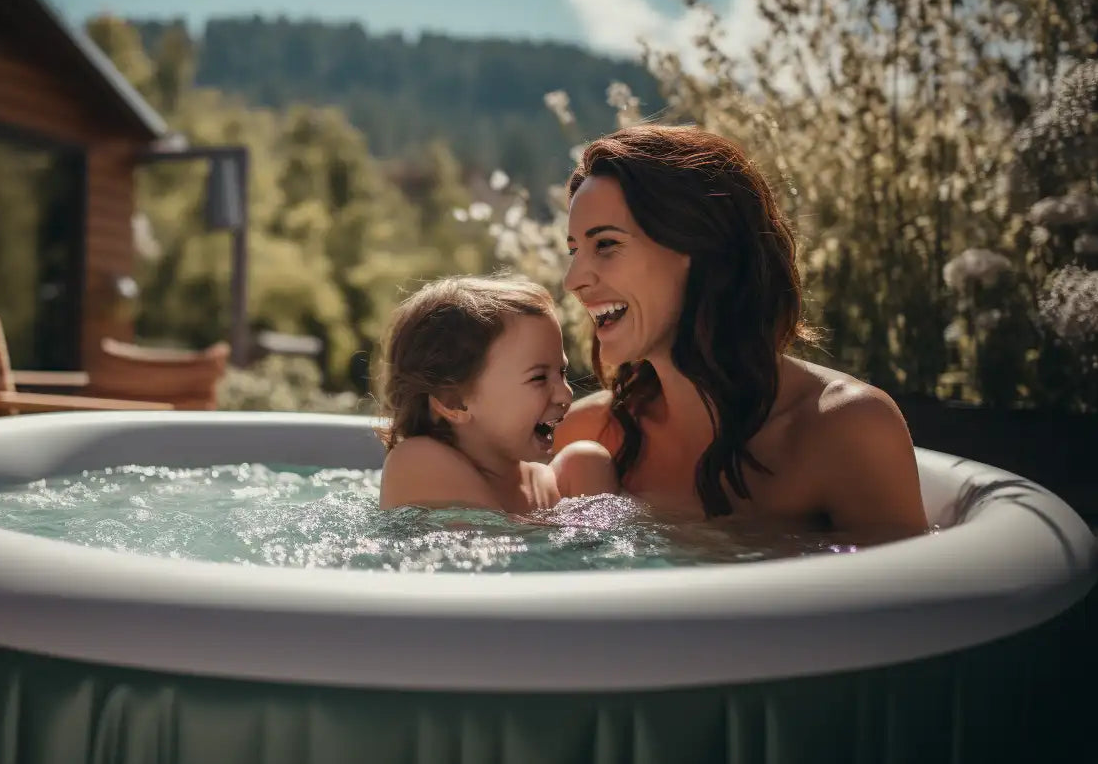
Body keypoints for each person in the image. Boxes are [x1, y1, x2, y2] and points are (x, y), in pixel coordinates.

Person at [551, 125, 929, 539]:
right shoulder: (587, 436)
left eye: (605, 244)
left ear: (701, 249)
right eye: (574, 251)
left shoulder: (845, 432)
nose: (573, 280)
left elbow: (905, 600)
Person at [377, 275, 577, 513]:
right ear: (454, 403)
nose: (565, 395)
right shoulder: (415, 461)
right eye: (539, 378)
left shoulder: (563, 481)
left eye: (562, 371)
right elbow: (504, 545)